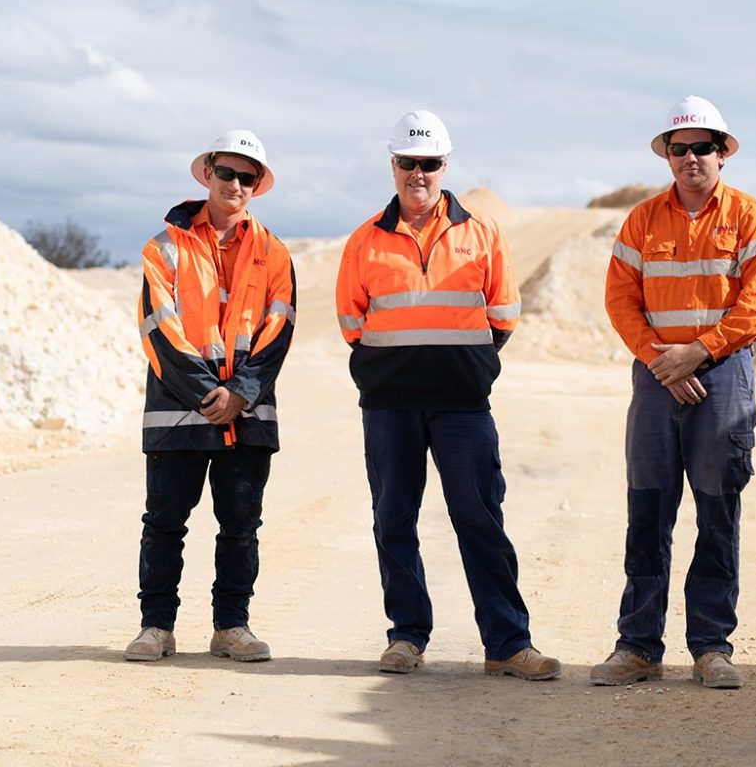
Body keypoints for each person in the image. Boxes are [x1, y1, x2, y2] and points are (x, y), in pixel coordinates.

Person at [336, 109, 560, 681]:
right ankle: (407, 637)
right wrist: (397, 369)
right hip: (390, 406)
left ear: (444, 165)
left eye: (429, 163)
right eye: (408, 163)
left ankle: (508, 644)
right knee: (393, 520)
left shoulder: (482, 234)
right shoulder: (365, 241)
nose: (418, 173)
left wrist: (469, 366)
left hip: (463, 405)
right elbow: (350, 322)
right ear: (393, 165)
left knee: (480, 518)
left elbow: (504, 317)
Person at [590, 96, 756, 689]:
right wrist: (659, 359)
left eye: (704, 147)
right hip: (656, 375)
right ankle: (638, 646)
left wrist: (698, 352)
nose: (692, 158)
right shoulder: (641, 221)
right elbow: (621, 298)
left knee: (717, 507)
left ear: (723, 154)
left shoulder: (752, 218)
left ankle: (710, 647)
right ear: (668, 156)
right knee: (647, 506)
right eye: (681, 148)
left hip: (721, 373)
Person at [125, 129, 296, 663]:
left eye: (248, 177)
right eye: (227, 173)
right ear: (207, 175)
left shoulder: (274, 252)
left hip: (246, 414)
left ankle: (232, 627)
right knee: (165, 524)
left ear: (257, 186)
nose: (236, 184)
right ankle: (156, 627)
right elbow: (159, 326)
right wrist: (209, 395)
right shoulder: (166, 247)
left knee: (241, 527)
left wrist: (241, 394)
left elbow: (280, 327)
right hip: (179, 411)